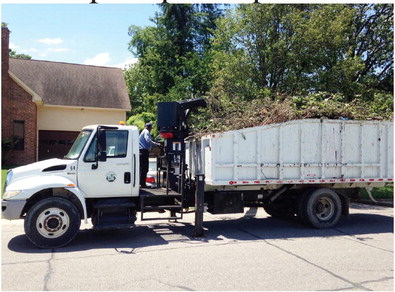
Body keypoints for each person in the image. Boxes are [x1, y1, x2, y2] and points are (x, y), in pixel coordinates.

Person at [139, 123, 160, 188]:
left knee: (142, 168)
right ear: (150, 127)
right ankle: (142, 184)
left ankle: (141, 183)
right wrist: (156, 144)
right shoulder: (146, 132)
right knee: (144, 169)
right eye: (151, 128)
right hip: (143, 151)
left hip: (142, 151)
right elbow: (148, 140)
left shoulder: (143, 131)